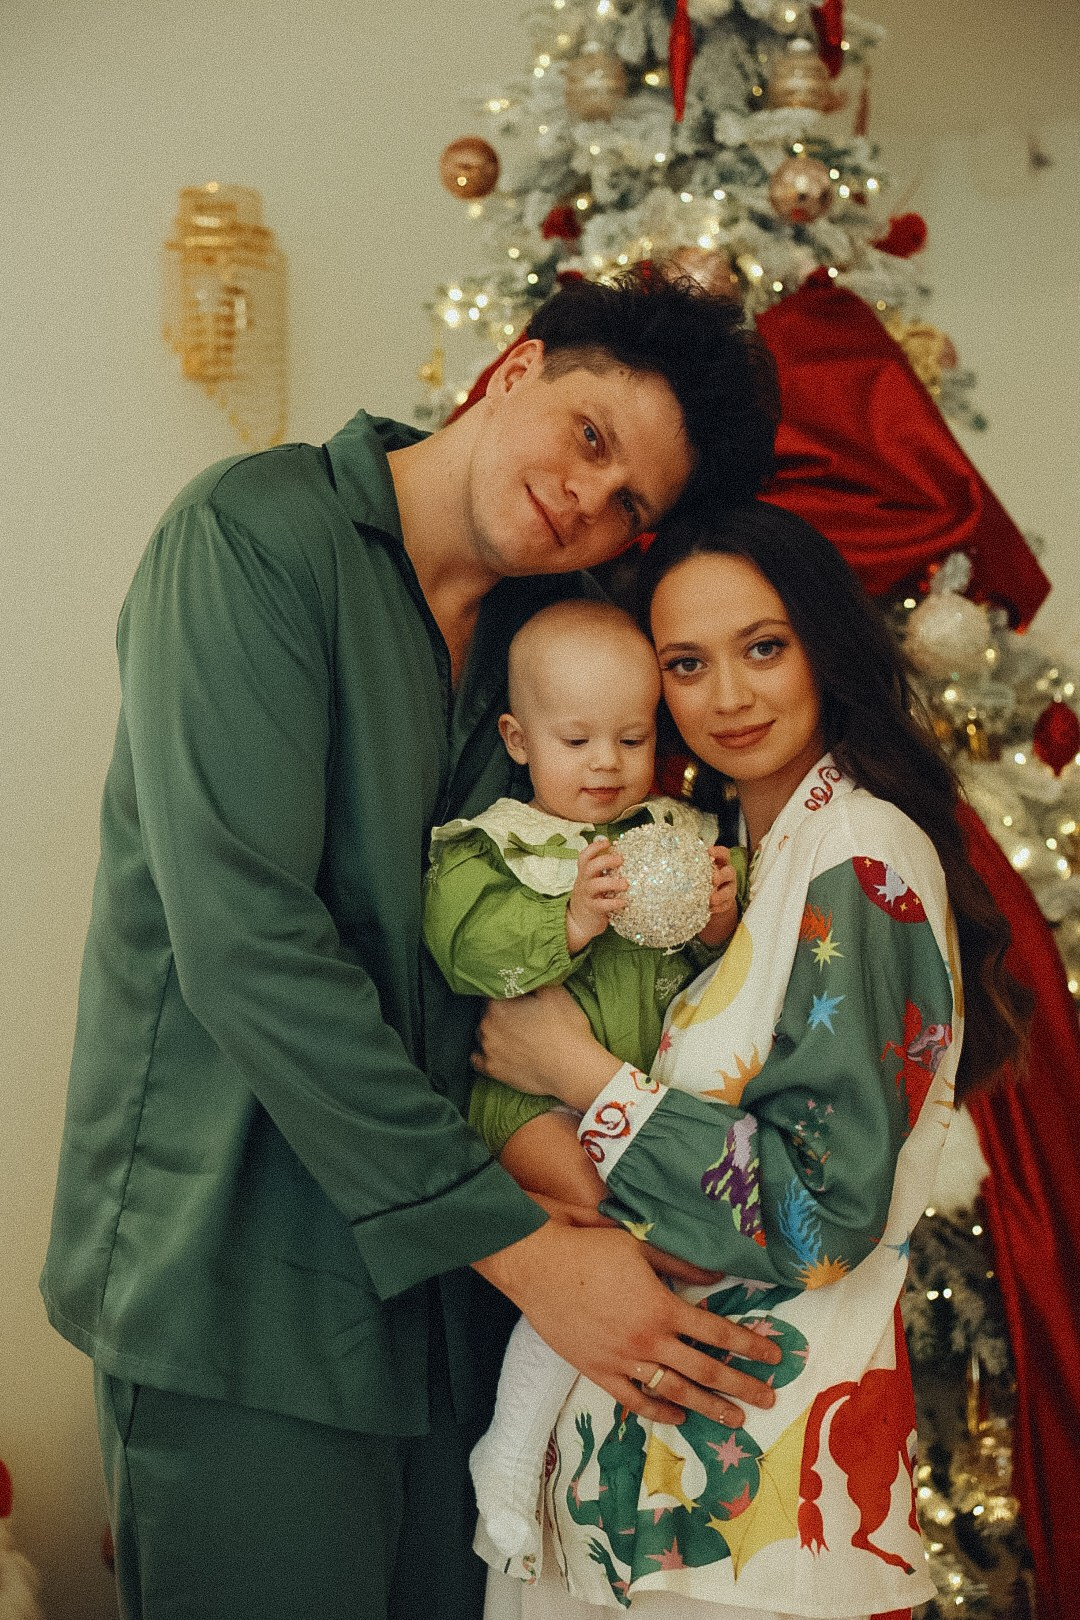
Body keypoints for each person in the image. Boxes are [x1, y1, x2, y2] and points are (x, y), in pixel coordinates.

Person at [39, 269, 784, 1620]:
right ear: (517, 366)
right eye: (591, 435)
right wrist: (531, 1251)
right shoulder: (253, 539)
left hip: (458, 1319)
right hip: (242, 1289)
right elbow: (251, 948)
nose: (589, 497)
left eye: (630, 504)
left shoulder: (546, 644)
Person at [473, 502, 1029, 1620]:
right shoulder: (735, 862)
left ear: (824, 645)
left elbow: (820, 1209)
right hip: (640, 1493)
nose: (727, 695)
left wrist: (579, 1074)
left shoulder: (861, 853)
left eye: (763, 647)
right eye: (687, 663)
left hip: (749, 1515)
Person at [422, 598, 744, 1565]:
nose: (606, 763)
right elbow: (464, 950)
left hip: (636, 1103)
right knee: (614, 1238)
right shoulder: (495, 844)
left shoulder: (671, 832)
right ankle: (512, 1448)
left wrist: (717, 918)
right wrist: (568, 923)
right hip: (528, 1102)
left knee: (634, 1247)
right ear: (518, 739)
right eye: (577, 740)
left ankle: (545, 1442)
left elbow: (717, 967)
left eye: (631, 738)